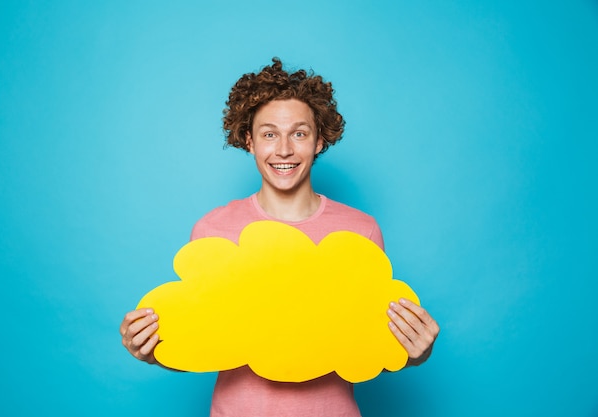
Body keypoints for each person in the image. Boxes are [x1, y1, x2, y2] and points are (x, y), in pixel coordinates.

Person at [120, 58, 439, 417]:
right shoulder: (213, 231)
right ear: (249, 141)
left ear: (319, 141)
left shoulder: (360, 231)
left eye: (299, 133)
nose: (284, 149)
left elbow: (367, 349)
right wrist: (153, 350)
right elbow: (205, 345)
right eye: (269, 134)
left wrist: (415, 352)